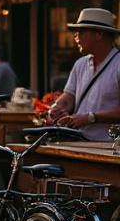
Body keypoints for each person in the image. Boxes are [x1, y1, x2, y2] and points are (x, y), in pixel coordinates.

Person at [48, 8, 120, 140]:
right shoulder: (80, 64)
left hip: (111, 148)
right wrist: (56, 108)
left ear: (99, 34)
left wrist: (91, 117)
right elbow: (69, 96)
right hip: (78, 140)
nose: (76, 36)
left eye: (81, 32)